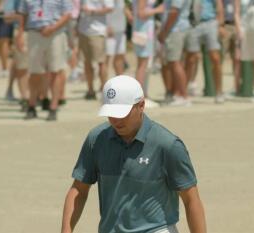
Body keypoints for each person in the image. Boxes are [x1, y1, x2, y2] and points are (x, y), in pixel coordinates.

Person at [60, 75, 207, 233]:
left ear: (141, 105)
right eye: (111, 113)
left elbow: (191, 200)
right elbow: (79, 190)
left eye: (122, 113)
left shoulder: (168, 145)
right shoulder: (96, 139)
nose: (116, 120)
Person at [17, 0, 72, 121]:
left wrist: (53, 28)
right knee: (34, 72)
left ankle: (53, 107)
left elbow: (68, 13)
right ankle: (32, 106)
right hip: (34, 33)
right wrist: (20, 34)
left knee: (55, 71)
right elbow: (23, 14)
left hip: (56, 34)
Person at [185, 0, 225, 104]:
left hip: (210, 22)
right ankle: (183, 93)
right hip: (193, 23)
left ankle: (219, 92)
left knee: (215, 58)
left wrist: (220, 24)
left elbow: (219, 4)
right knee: (191, 58)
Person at [158, 0, 192, 106]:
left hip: (175, 30)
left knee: (174, 63)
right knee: (175, 63)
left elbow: (174, 11)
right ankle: (178, 94)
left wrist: (164, 31)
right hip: (178, 28)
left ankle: (183, 96)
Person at [78, 0, 114, 100]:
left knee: (101, 62)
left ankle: (104, 90)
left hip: (98, 31)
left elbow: (110, 8)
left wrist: (93, 12)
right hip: (83, 30)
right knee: (86, 62)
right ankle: (90, 90)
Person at [132, 0, 164, 107]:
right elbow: (141, 13)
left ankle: (143, 95)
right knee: (142, 65)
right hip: (143, 31)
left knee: (143, 64)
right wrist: (158, 9)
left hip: (144, 30)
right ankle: (140, 98)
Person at [3, 0, 29, 110]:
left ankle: (35, 96)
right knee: (22, 66)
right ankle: (25, 98)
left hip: (40, 32)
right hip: (21, 32)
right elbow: (7, 17)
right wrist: (22, 17)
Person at [106, 0, 132, 76]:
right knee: (107, 58)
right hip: (109, 31)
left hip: (121, 30)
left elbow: (123, 7)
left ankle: (120, 81)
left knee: (120, 56)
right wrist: (108, 26)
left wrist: (129, 16)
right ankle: (103, 85)